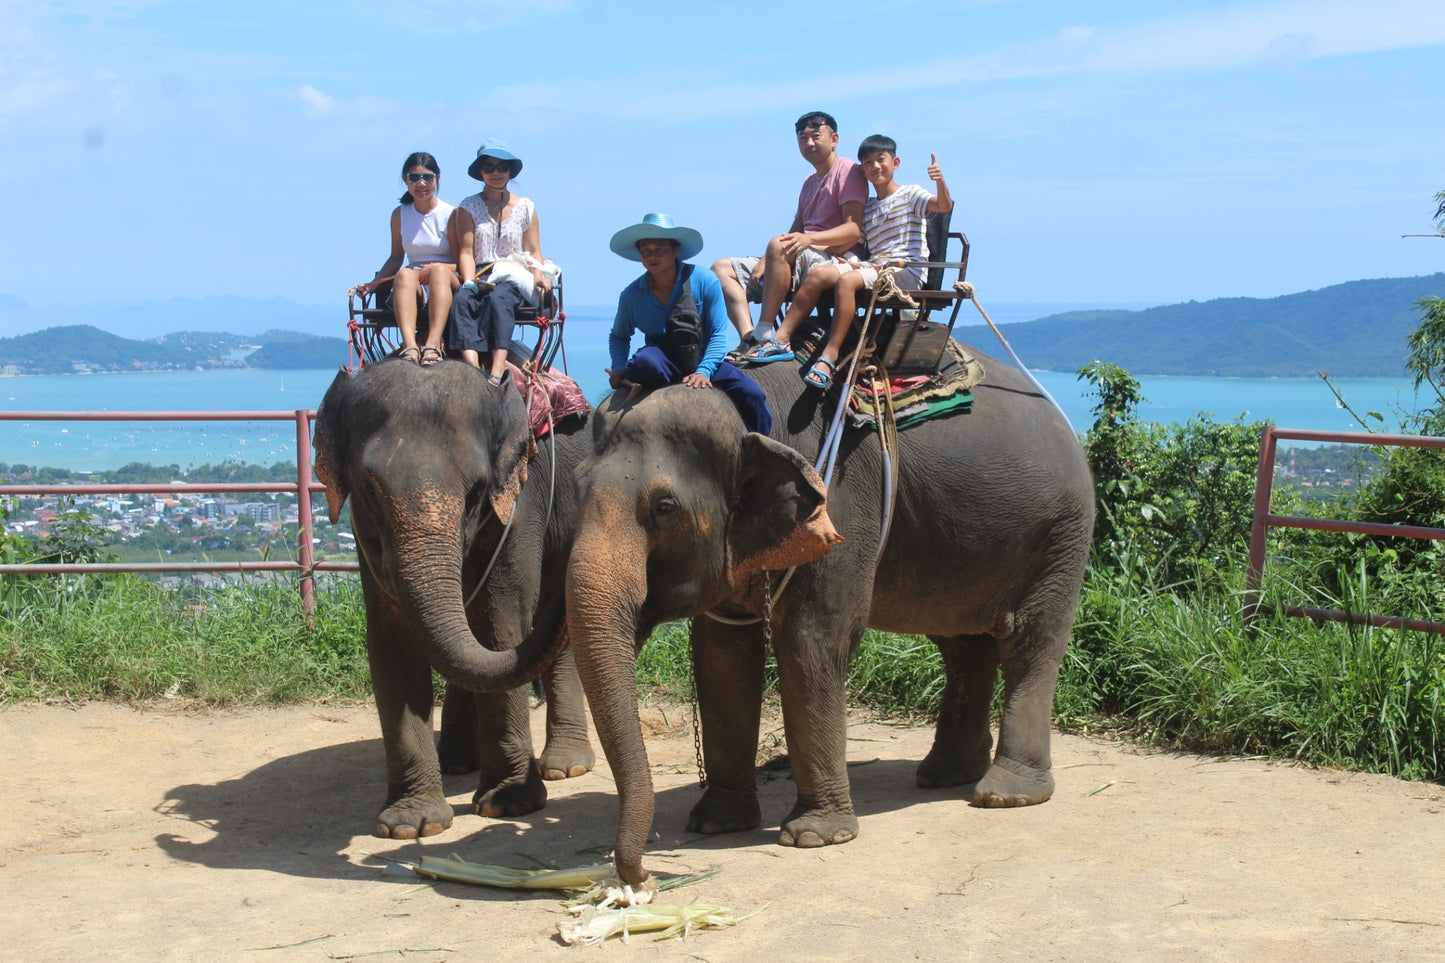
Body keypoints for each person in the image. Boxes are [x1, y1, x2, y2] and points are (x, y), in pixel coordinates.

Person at [762, 135, 952, 390]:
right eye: (868, 162)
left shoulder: (911, 194)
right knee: (820, 274)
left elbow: (943, 205)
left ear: (895, 162)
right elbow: (853, 245)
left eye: (880, 160)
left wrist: (939, 181)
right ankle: (781, 338)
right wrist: (812, 246)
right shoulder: (869, 207)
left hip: (905, 270)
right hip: (875, 267)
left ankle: (829, 356)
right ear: (862, 169)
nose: (875, 167)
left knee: (847, 280)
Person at [711, 110, 868, 354]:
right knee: (721, 269)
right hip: (801, 252)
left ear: (834, 139)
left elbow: (853, 230)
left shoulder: (849, 172)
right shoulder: (809, 181)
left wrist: (809, 239)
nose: (809, 143)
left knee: (778, 244)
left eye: (816, 136)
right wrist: (766, 259)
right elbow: (797, 228)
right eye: (803, 139)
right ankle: (749, 336)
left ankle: (766, 331)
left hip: (830, 257)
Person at [608, 213, 773, 435]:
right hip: (662, 360)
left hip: (703, 356)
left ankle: (762, 451)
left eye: (659, 249)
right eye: (646, 251)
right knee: (645, 363)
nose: (652, 256)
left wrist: (704, 371)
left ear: (676, 249)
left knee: (752, 394)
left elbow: (717, 332)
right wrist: (619, 366)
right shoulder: (631, 295)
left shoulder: (704, 280)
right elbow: (619, 335)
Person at [446, 140, 556, 385]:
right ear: (481, 172)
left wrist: (539, 275)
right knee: (463, 300)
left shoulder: (526, 207)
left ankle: (497, 369)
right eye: (489, 167)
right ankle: (472, 368)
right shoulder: (468, 206)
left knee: (501, 299)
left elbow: (533, 250)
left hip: (513, 274)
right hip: (481, 271)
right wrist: (470, 281)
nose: (496, 172)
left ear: (510, 171)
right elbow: (466, 251)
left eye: (502, 167)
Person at [355, 152, 457, 365]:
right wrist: (372, 286)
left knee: (438, 273)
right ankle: (410, 346)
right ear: (405, 180)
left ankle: (432, 344)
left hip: (446, 279)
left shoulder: (451, 214)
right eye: (414, 178)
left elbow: (462, 260)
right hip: (415, 281)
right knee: (404, 274)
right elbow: (395, 258)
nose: (421, 183)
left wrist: (437, 267)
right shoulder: (399, 214)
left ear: (438, 178)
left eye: (427, 178)